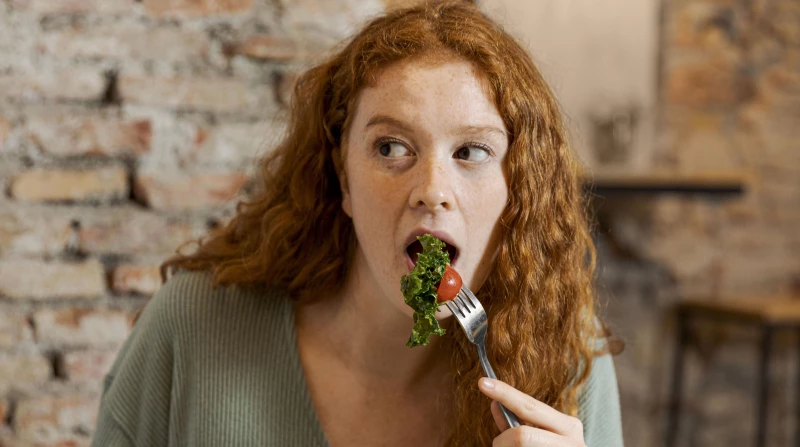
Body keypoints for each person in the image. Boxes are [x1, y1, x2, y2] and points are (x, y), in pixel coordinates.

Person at [91, 1, 624, 446]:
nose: (433, 190)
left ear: (518, 190)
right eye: (391, 148)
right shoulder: (193, 327)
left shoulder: (568, 358)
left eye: (471, 151)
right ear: (343, 179)